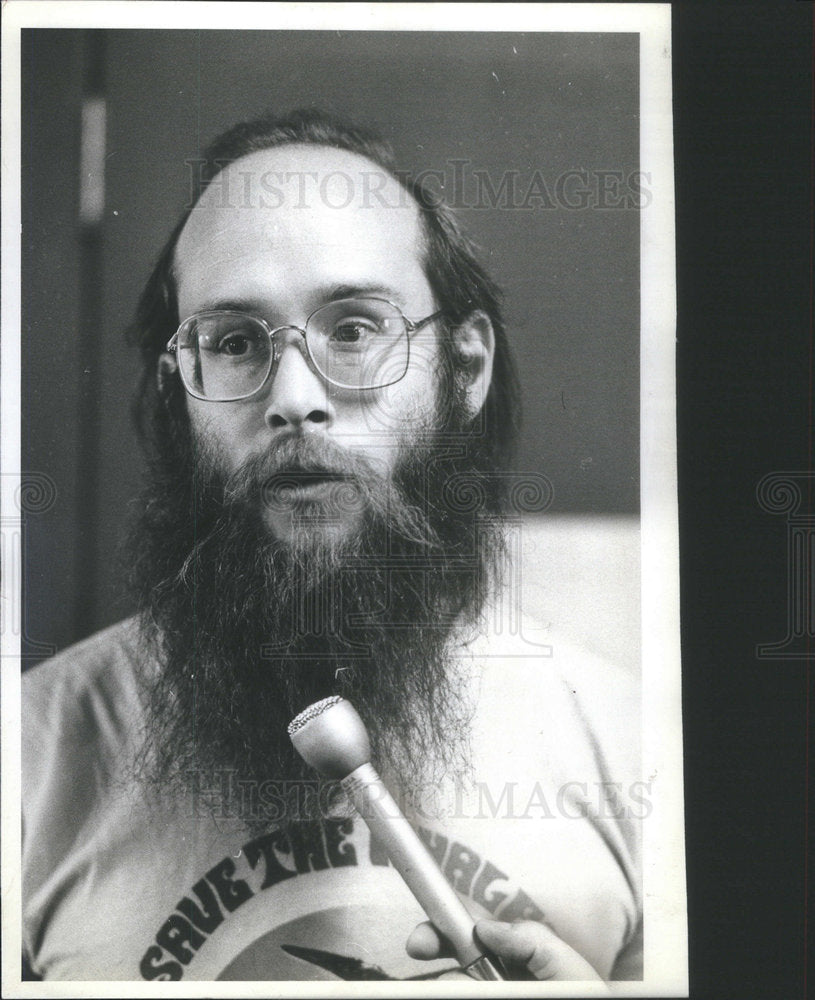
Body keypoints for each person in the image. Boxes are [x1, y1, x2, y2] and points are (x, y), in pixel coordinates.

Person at [22, 109, 642, 983]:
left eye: (353, 329)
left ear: (463, 371)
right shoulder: (29, 759)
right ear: (176, 397)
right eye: (234, 343)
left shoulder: (637, 754)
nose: (296, 399)